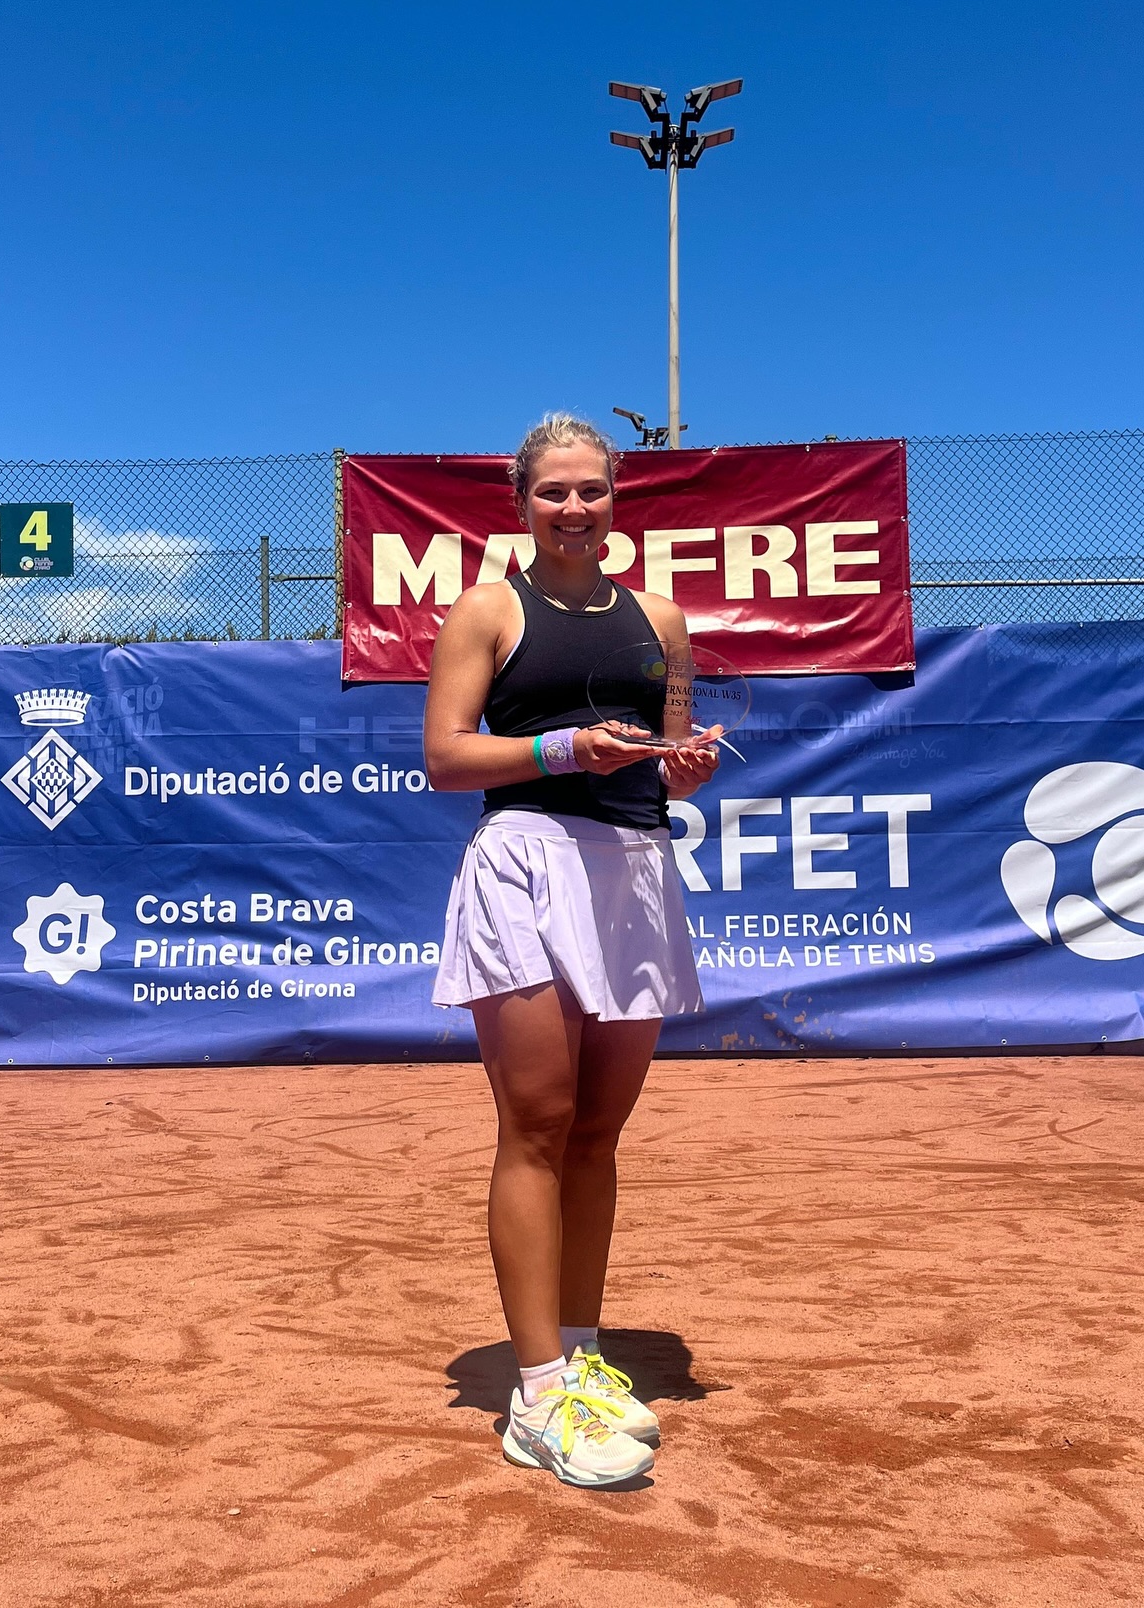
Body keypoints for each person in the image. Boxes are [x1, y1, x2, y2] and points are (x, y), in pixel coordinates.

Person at [425, 413, 719, 1488]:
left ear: (615, 499)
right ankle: (537, 1393)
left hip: (634, 867)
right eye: (554, 492)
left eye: (591, 489)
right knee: (538, 1125)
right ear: (521, 504)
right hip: (526, 862)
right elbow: (447, 757)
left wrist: (681, 769)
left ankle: (584, 1358)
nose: (575, 508)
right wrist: (561, 746)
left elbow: (674, 747)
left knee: (598, 1133)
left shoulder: (664, 620)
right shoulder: (488, 609)